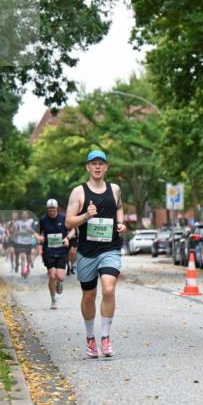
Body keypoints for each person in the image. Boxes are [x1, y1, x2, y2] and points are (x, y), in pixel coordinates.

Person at [65, 150, 126, 358]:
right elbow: (68, 222)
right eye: (94, 164)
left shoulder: (115, 189)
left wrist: (120, 223)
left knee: (108, 289)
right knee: (89, 296)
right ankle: (90, 338)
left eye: (101, 163)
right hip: (87, 253)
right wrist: (85, 215)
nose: (98, 167)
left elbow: (119, 207)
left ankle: (106, 337)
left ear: (106, 167)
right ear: (88, 168)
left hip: (110, 248)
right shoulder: (78, 192)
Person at [38, 198, 72, 309]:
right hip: (48, 250)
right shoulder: (43, 220)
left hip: (62, 250)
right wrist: (39, 239)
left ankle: (59, 282)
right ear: (47, 209)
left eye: (53, 209)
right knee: (52, 276)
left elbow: (73, 230)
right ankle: (53, 300)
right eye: (49, 210)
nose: (51, 211)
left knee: (60, 277)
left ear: (57, 209)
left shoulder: (63, 218)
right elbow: (36, 233)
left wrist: (67, 238)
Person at [12, 211, 35, 276]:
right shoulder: (18, 223)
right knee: (22, 256)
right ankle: (23, 270)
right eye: (23, 214)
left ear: (28, 215)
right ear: (21, 215)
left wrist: (30, 229)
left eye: (25, 214)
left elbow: (34, 231)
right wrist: (16, 232)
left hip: (28, 242)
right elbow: (15, 232)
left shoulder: (31, 221)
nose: (24, 215)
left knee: (28, 257)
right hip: (20, 242)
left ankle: (28, 267)